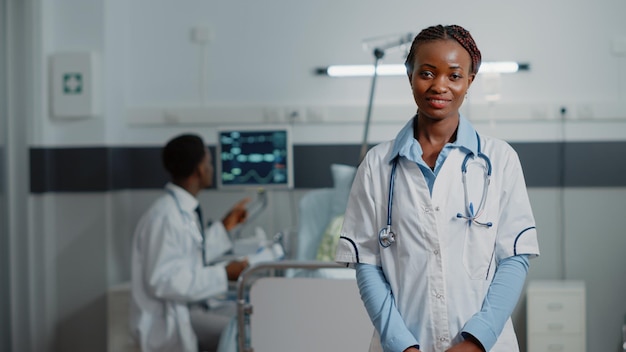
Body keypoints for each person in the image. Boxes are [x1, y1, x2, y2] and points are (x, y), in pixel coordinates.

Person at [335, 24, 540, 352]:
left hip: (486, 344)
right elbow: (367, 264)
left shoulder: (500, 160)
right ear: (409, 74)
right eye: (427, 73)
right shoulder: (377, 165)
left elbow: (514, 259)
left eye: (454, 75)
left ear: (470, 81)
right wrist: (402, 344)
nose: (439, 86)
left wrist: (476, 341)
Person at [130, 133, 251, 352]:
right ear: (199, 170)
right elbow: (164, 281)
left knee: (252, 315)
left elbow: (191, 254)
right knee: (244, 332)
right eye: (209, 163)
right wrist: (223, 274)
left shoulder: (180, 210)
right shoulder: (164, 217)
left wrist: (224, 228)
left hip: (193, 306)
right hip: (173, 319)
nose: (211, 168)